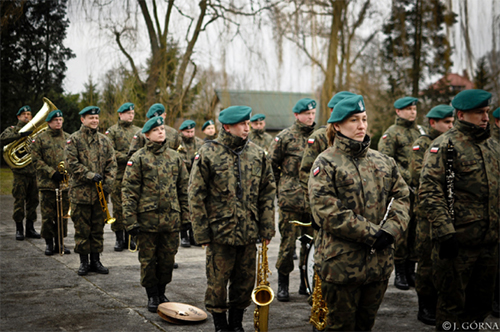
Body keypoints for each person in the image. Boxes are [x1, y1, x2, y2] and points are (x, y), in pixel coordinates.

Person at [309, 94, 410, 331]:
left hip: (379, 266)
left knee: (366, 325)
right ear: (337, 125)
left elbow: (402, 198)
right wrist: (373, 233)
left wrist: (391, 230)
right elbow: (326, 210)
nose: (361, 125)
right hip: (341, 266)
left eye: (364, 119)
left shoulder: (385, 161)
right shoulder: (325, 163)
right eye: (353, 120)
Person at [189, 106, 276, 332]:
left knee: (244, 282)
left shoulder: (257, 154)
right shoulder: (208, 153)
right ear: (227, 127)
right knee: (217, 283)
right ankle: (220, 325)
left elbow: (267, 192)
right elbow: (196, 194)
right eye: (241, 124)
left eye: (248, 123)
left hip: (249, 231)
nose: (246, 128)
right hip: (220, 233)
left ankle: (236, 323)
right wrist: (201, 233)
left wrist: (267, 228)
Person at [419, 89, 499, 330]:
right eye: (479, 113)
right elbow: (430, 192)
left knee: (481, 306)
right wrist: (445, 232)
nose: (485, 118)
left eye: (486, 112)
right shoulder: (443, 146)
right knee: (452, 307)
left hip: (490, 242)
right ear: (462, 114)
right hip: (458, 243)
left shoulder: (493, 146)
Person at [122, 116, 190, 313]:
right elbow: (129, 192)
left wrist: (186, 218)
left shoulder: (175, 158)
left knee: (168, 259)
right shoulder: (138, 158)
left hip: (171, 220)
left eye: (162, 128)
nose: (161, 132)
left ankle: (162, 291)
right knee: (148, 260)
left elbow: (184, 190)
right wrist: (130, 221)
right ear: (146, 134)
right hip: (147, 221)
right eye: (156, 129)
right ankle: (152, 295)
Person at [410, 105, 454, 326]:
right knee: (426, 259)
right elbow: (417, 173)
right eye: (446, 122)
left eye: (452, 121)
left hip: (452, 211)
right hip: (427, 212)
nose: (450, 126)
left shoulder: (455, 142)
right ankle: (425, 304)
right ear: (433, 123)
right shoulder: (424, 144)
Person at [269, 98, 316, 301]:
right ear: (297, 115)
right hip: (290, 200)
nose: (311, 117)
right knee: (288, 244)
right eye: (307, 114)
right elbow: (271, 165)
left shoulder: (320, 137)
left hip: (314, 200)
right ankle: (283, 283)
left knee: (310, 244)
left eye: (313, 113)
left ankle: (306, 283)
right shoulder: (284, 137)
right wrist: (282, 188)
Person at [378, 96, 424, 290]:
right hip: (402, 189)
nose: (412, 112)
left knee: (416, 231)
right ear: (398, 111)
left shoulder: (420, 132)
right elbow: (386, 160)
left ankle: (411, 270)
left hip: (419, 190)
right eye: (408, 109)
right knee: (402, 232)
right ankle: (400, 273)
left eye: (414, 108)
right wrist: (407, 176)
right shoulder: (392, 133)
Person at [65, 106, 117, 276]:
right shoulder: (74, 140)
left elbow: (112, 164)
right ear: (83, 120)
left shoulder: (104, 141)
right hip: (80, 193)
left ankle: (96, 261)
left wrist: (107, 186)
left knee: (97, 229)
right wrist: (88, 175)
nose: (94, 121)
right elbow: (70, 164)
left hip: (99, 195)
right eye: (90, 118)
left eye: (96, 118)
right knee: (82, 229)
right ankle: (83, 262)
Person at [299, 91, 356, 218]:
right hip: (328, 211)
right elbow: (306, 174)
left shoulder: (358, 137)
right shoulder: (319, 137)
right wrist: (313, 209)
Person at [30, 110, 71, 255]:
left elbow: (74, 158)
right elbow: (35, 159)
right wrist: (51, 173)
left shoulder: (68, 138)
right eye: (55, 120)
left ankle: (61, 243)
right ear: (49, 122)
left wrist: (66, 171)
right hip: (47, 184)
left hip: (64, 184)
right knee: (48, 216)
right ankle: (49, 243)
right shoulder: (40, 139)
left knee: (62, 216)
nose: (59, 122)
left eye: (60, 119)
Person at [0, 105, 40, 241]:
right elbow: (2, 139)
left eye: (29, 114)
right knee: (19, 201)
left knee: (33, 202)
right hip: (20, 173)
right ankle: (19, 229)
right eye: (24, 114)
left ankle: (30, 228)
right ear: (19, 117)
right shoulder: (12, 130)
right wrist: (20, 135)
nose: (27, 116)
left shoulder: (36, 131)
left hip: (33, 173)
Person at [105, 102, 141, 252]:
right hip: (118, 175)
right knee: (119, 208)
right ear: (120, 114)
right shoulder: (112, 131)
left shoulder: (139, 131)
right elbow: (110, 152)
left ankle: (131, 239)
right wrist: (128, 158)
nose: (130, 116)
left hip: (135, 176)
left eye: (132, 113)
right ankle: (119, 238)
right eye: (128, 113)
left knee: (133, 207)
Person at [177, 119, 204, 247]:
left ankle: (194, 234)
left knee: (195, 207)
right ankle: (184, 235)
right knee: (183, 206)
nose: (190, 134)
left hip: (195, 179)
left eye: (192, 131)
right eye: (187, 132)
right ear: (182, 132)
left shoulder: (200, 143)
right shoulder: (177, 143)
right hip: (181, 179)